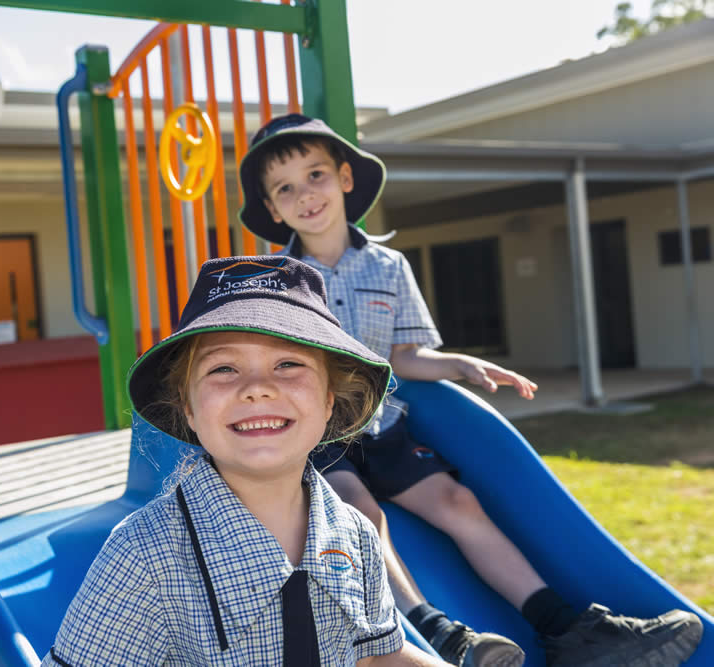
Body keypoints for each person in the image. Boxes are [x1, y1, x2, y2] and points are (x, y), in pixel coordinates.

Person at [236, 113, 704, 667]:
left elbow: (404, 356)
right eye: (284, 189)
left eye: (314, 175)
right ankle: (438, 633)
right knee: (361, 512)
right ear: (273, 209)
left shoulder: (388, 267)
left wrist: (461, 364)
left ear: (344, 178)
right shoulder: (274, 281)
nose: (304, 195)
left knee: (459, 503)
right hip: (321, 438)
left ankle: (565, 629)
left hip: (383, 425)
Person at [45, 255, 448, 666]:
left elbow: (377, 657)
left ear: (329, 400)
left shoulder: (358, 534)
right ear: (188, 407)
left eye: (288, 364)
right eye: (224, 368)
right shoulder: (145, 553)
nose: (257, 388)